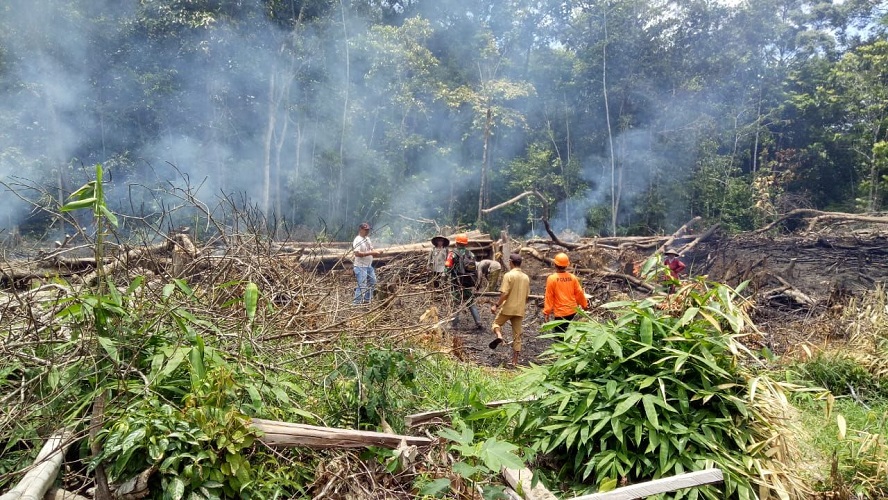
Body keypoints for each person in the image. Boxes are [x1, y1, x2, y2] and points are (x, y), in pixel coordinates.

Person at [488, 253, 530, 367]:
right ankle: (515, 361)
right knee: (517, 336)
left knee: (496, 324)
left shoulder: (508, 275)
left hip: (508, 308)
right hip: (519, 310)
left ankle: (499, 336)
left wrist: (496, 305)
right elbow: (527, 296)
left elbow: (504, 293)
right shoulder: (526, 277)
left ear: (511, 262)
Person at [445, 233, 484, 331]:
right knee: (470, 302)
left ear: (457, 243)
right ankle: (478, 322)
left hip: (456, 282)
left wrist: (445, 277)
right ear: (466, 243)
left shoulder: (452, 253)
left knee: (456, 303)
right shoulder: (470, 254)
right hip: (468, 282)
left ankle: (453, 325)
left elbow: (447, 267)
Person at [543, 252, 589, 334]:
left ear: (555, 264)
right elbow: (579, 293)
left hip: (560, 314)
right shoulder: (572, 277)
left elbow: (549, 296)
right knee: (571, 336)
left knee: (560, 338)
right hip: (573, 312)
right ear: (567, 265)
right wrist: (584, 305)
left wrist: (547, 312)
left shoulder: (552, 279)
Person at [352, 222, 381, 304]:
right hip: (360, 267)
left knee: (372, 282)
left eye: (368, 230)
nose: (367, 231)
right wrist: (371, 253)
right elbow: (357, 253)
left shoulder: (367, 239)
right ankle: (356, 304)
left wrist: (375, 252)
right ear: (360, 229)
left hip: (368, 266)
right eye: (365, 230)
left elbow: (370, 249)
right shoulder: (358, 240)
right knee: (362, 286)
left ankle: (367, 300)